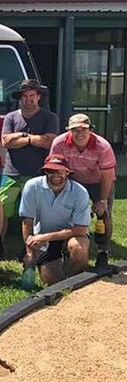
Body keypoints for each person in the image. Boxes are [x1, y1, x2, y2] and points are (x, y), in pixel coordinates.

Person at [50, 113, 117, 268]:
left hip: (98, 181)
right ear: (69, 130)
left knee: (104, 214)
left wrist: (102, 200)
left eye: (83, 129)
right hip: (72, 180)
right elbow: (55, 168)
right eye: (75, 130)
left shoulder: (103, 146)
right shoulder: (59, 143)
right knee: (66, 213)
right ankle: (65, 247)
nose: (79, 133)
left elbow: (107, 176)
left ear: (91, 130)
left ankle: (103, 252)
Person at [0, 79, 59, 239]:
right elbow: (5, 142)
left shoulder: (49, 117)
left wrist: (21, 137)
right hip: (11, 173)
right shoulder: (11, 117)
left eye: (32, 95)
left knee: (34, 212)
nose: (28, 99)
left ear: (38, 96)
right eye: (24, 96)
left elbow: (49, 142)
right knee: (2, 209)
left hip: (37, 173)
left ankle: (33, 247)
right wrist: (33, 138)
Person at [18, 154, 90, 286]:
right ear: (45, 171)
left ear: (67, 172)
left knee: (80, 249)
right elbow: (27, 221)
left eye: (60, 171)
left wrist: (45, 237)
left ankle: (72, 279)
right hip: (42, 240)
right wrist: (29, 253)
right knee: (52, 281)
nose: (56, 175)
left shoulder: (80, 192)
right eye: (51, 171)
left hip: (71, 235)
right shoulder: (32, 186)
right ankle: (61, 276)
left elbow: (81, 229)